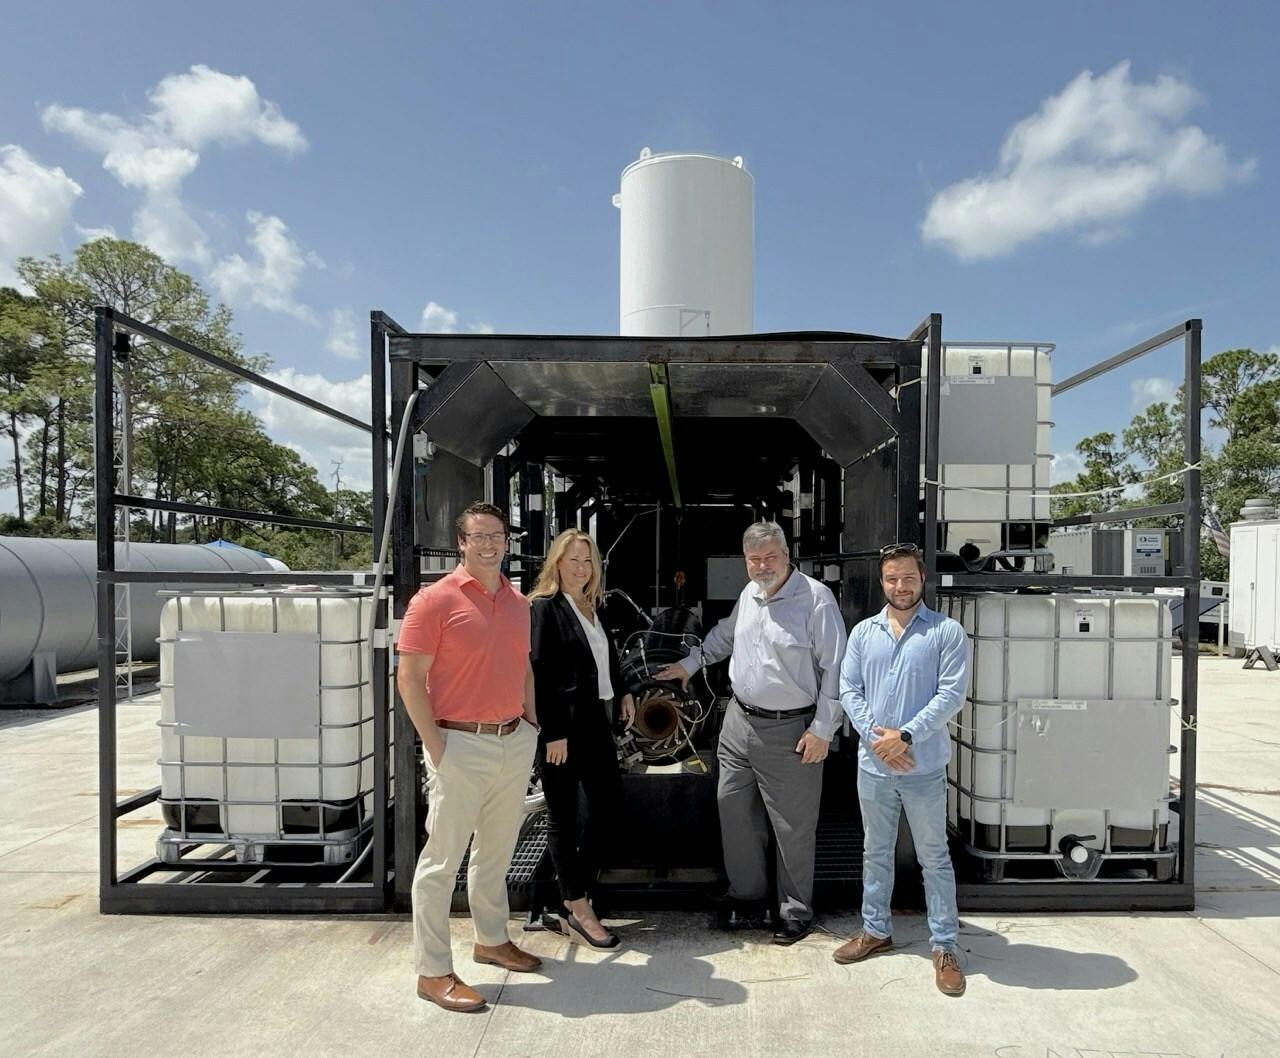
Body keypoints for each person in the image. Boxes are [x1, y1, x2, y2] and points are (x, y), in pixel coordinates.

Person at [657, 520, 846, 944]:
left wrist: (823, 730)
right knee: (734, 811)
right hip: (739, 724)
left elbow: (838, 670)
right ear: (746, 561)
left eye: (771, 558)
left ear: (786, 555)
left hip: (791, 731)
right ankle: (748, 897)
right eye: (754, 560)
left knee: (792, 826)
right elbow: (727, 634)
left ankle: (795, 911)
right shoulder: (751, 594)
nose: (763, 566)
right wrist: (692, 662)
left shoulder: (815, 600)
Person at [396, 501, 542, 1013]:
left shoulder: (518, 603)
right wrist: (437, 746)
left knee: (496, 852)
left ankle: (491, 939)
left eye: (496, 535)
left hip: (511, 740)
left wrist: (530, 723)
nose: (488, 544)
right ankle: (432, 971)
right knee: (441, 862)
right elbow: (409, 679)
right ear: (461, 542)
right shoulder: (434, 601)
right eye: (477, 536)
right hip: (459, 743)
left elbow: (522, 667)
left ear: (506, 540)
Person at [834, 541, 970, 996]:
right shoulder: (863, 633)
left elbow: (950, 695)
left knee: (934, 857)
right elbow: (848, 689)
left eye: (908, 577)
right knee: (875, 851)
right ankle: (875, 930)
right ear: (882, 581)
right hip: (874, 766)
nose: (900, 586)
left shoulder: (946, 632)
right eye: (892, 578)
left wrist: (905, 736)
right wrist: (879, 738)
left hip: (923, 767)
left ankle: (945, 946)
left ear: (922, 578)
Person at [529, 529, 636, 948]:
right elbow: (541, 671)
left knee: (605, 808)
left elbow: (606, 658)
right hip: (563, 730)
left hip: (596, 723)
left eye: (587, 560)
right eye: (573, 559)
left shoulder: (592, 607)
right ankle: (577, 904)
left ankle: (571, 893)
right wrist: (552, 732)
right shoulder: (544, 609)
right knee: (563, 816)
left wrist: (624, 689)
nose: (581, 567)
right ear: (557, 563)